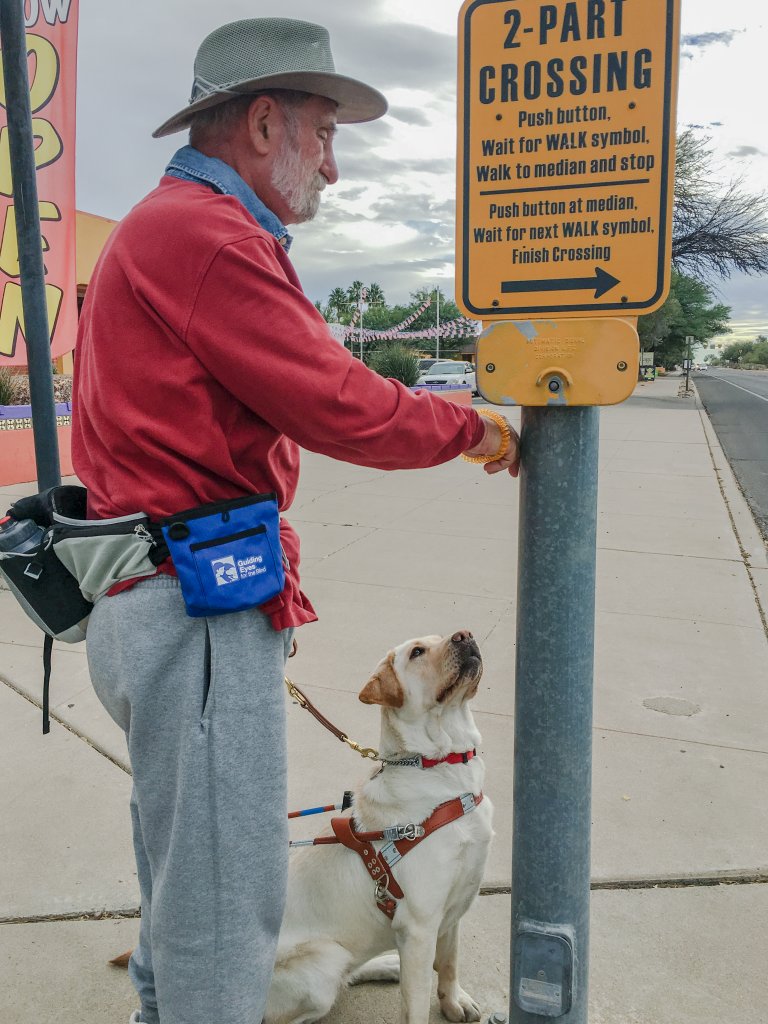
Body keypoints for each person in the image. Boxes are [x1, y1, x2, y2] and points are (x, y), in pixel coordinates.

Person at [72, 17, 520, 1024]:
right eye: (323, 131)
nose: (335, 162)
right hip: (191, 609)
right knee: (226, 898)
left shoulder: (167, 225)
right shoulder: (207, 236)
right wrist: (477, 429)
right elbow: (340, 402)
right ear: (263, 121)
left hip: (156, 596)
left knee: (186, 867)